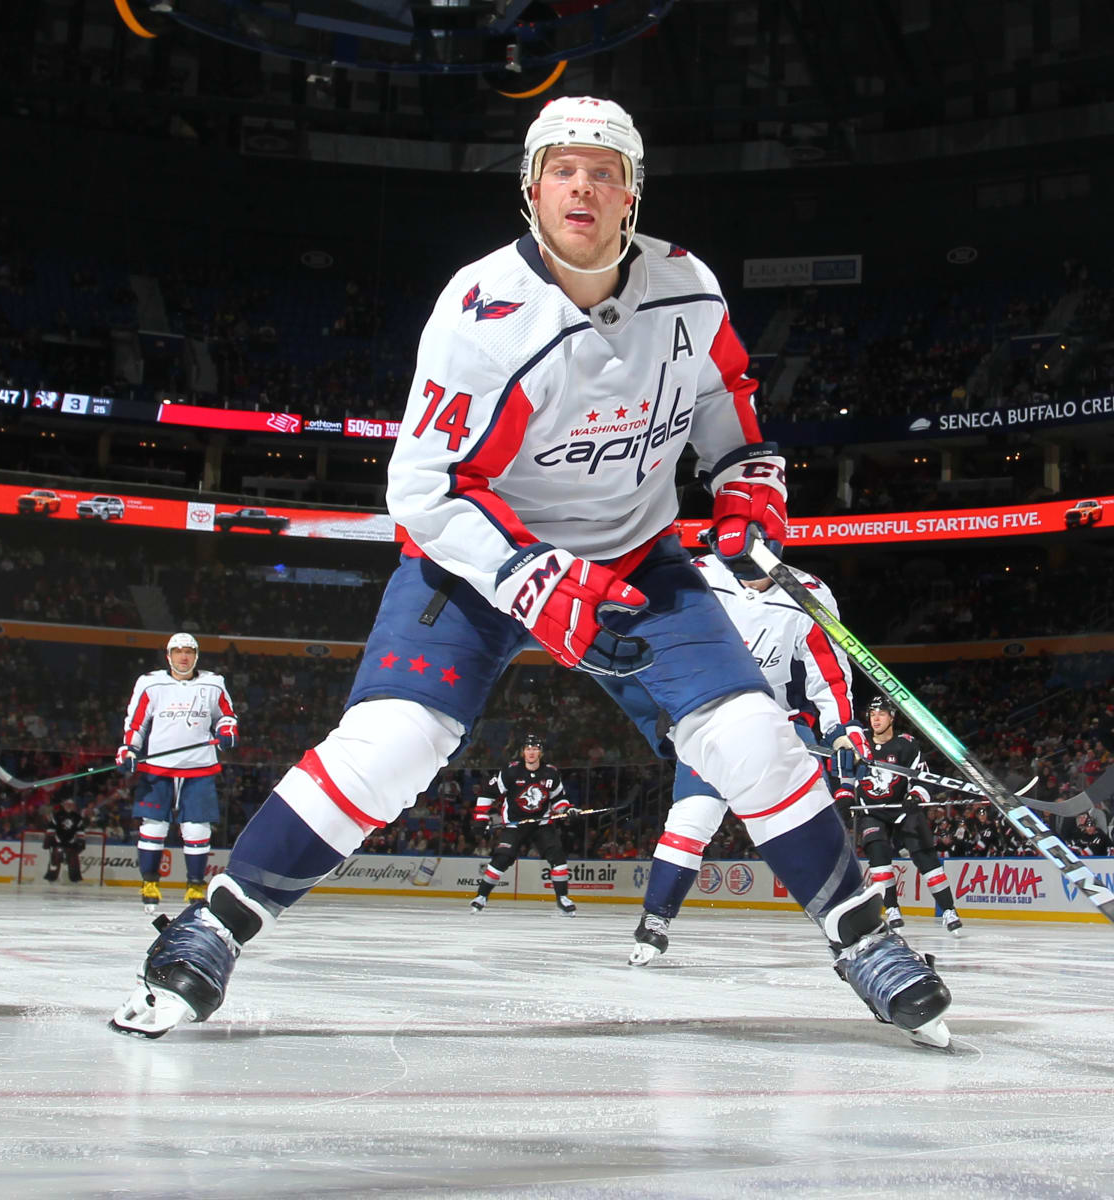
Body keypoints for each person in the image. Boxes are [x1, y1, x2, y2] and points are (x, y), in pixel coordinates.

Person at [110, 96, 951, 1049]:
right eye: (563, 168)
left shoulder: (689, 286)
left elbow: (727, 400)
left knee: (752, 736)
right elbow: (422, 488)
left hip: (635, 553)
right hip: (475, 564)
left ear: (633, 191)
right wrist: (533, 578)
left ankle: (864, 939)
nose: (583, 185)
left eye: (604, 168)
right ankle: (212, 928)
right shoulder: (480, 313)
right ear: (531, 187)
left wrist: (746, 482)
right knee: (391, 745)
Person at [628, 550, 864, 964]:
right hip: (710, 716)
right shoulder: (696, 575)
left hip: (778, 722)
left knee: (807, 826)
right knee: (692, 818)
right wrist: (664, 704)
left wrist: (841, 729)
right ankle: (655, 920)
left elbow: (829, 671)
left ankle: (858, 941)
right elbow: (654, 640)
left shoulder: (808, 593)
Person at [119, 632, 239, 913]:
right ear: (168, 656)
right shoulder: (150, 683)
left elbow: (226, 716)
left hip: (199, 766)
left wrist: (227, 731)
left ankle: (195, 886)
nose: (183, 656)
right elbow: (135, 722)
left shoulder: (213, 683)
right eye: (178, 651)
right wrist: (128, 749)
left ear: (196, 656)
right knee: (153, 827)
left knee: (197, 829)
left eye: (189, 651)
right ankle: (150, 883)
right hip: (158, 768)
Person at [847, 696, 963, 936]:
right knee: (878, 854)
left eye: (881, 713)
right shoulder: (860, 743)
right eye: (872, 714)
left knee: (925, 856)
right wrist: (845, 795)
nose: (875, 718)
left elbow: (922, 778)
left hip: (903, 808)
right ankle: (891, 909)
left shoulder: (907, 745)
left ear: (892, 717)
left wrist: (916, 797)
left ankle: (949, 909)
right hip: (872, 812)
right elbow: (844, 772)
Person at [469, 733, 577, 915]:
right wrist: (480, 818)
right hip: (515, 824)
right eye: (528, 749)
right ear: (523, 752)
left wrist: (567, 810)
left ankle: (562, 898)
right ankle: (481, 896)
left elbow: (559, 799)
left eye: (535, 749)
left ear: (540, 752)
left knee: (557, 856)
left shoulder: (550, 773)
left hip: (541, 823)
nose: (531, 752)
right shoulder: (511, 771)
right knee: (502, 858)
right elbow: (488, 793)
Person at [42, 796, 88, 883]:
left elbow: (80, 830)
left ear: (74, 805)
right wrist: (48, 839)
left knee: (74, 860)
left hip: (71, 843)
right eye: (67, 804)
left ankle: (75, 879)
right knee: (54, 859)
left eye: (71, 804)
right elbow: (51, 827)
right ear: (64, 805)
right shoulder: (57, 815)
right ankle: (51, 878)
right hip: (58, 842)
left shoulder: (77, 817)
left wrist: (81, 842)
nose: (69, 806)